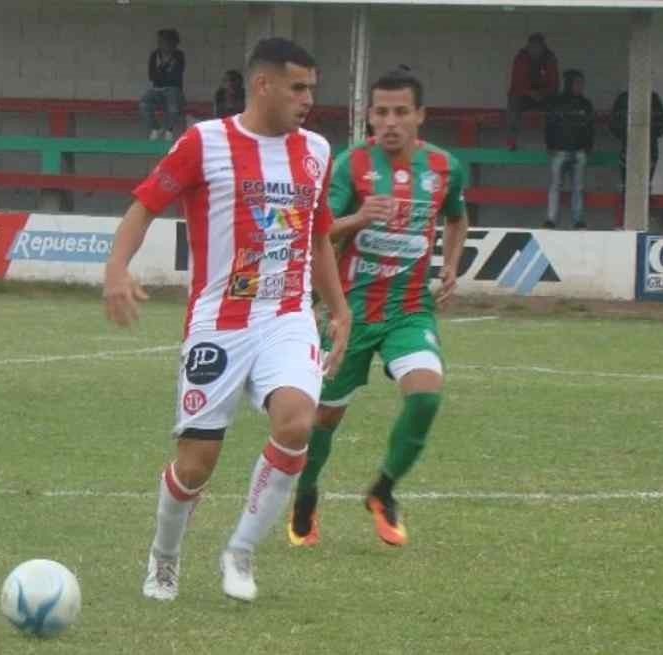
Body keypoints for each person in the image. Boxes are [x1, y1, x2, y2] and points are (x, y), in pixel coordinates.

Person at [104, 38, 352, 604]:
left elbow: (318, 237)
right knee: (196, 465)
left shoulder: (316, 150)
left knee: (297, 422)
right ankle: (164, 557)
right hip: (219, 323)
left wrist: (338, 308)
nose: (308, 99)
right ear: (262, 85)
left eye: (311, 88)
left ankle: (240, 550)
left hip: (287, 315)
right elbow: (145, 205)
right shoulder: (205, 143)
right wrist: (116, 268)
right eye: (297, 87)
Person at [286, 69, 468, 549]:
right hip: (350, 312)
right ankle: (306, 493)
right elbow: (318, 230)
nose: (391, 122)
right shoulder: (351, 165)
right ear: (369, 115)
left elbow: (457, 216)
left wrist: (451, 265)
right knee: (322, 420)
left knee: (425, 396)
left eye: (401, 112)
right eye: (381, 112)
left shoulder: (445, 167)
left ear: (419, 116)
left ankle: (383, 490)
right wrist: (359, 217)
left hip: (410, 310)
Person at [544, 70, 594, 230]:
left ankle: (578, 220)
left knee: (578, 187)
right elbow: (549, 125)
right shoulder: (556, 103)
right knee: (555, 186)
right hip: (559, 151)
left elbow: (590, 127)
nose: (580, 86)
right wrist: (549, 145)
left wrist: (588, 146)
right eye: (577, 83)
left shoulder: (586, 104)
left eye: (582, 83)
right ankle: (551, 220)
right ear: (569, 83)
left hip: (579, 152)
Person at [505, 33, 559, 150]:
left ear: (543, 46)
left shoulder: (550, 58)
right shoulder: (521, 58)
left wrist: (542, 93)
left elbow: (554, 84)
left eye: (539, 46)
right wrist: (530, 92)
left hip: (544, 95)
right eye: (533, 46)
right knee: (513, 100)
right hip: (525, 95)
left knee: (556, 104)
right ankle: (511, 141)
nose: (536, 49)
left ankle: (552, 143)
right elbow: (516, 84)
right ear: (528, 46)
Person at [610, 89, 663, 189]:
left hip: (649, 146)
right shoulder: (624, 98)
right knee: (628, 183)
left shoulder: (653, 98)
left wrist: (652, 135)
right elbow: (614, 120)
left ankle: (643, 196)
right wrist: (624, 135)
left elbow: (661, 120)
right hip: (630, 145)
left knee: (644, 183)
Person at [139, 28, 185, 140]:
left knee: (173, 107)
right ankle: (156, 128)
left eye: (165, 41)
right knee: (144, 103)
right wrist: (165, 70)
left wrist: (160, 71)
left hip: (174, 89)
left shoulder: (179, 55)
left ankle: (169, 131)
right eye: (160, 41)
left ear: (173, 43)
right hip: (156, 89)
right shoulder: (154, 55)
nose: (161, 44)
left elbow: (175, 77)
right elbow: (151, 76)